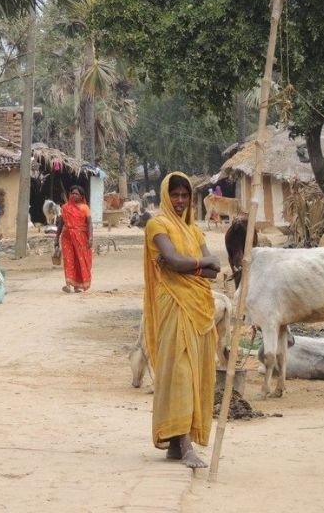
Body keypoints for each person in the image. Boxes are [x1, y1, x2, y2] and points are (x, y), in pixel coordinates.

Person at [143, 172, 221, 469]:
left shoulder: (194, 231)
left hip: (198, 306)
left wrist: (189, 266)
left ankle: (176, 444)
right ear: (166, 196)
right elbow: (174, 260)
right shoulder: (157, 225)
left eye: (184, 195)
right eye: (174, 194)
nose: (179, 200)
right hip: (173, 305)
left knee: (195, 372)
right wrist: (199, 263)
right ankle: (185, 445)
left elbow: (213, 270)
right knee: (180, 372)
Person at [55, 185, 93, 293]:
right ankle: (68, 284)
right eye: (72, 193)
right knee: (69, 259)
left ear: (81, 196)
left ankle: (78, 286)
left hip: (81, 237)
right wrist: (56, 238)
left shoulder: (85, 208)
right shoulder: (65, 208)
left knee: (80, 260)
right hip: (67, 237)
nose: (74, 195)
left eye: (77, 194)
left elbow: (89, 224)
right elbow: (61, 224)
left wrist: (91, 238)